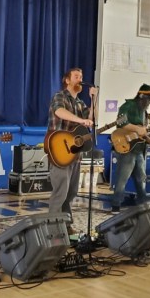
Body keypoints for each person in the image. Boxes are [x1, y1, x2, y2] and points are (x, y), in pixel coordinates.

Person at [46, 68, 97, 224]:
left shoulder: (80, 103)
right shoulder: (59, 96)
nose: (80, 79)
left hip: (76, 154)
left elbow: (92, 117)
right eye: (76, 76)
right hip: (59, 151)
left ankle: (66, 224)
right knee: (60, 192)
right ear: (67, 80)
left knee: (71, 192)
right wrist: (81, 121)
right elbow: (59, 111)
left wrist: (93, 99)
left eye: (81, 76)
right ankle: (52, 227)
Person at [110, 84, 150, 212]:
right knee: (122, 178)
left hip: (138, 149)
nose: (149, 103)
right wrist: (137, 128)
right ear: (141, 97)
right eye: (147, 100)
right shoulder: (128, 106)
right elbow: (121, 122)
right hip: (126, 147)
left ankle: (142, 203)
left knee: (141, 177)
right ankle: (116, 205)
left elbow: (141, 132)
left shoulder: (143, 112)